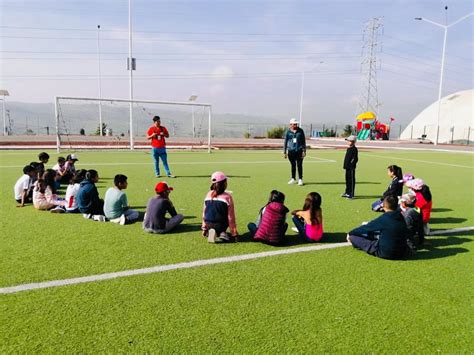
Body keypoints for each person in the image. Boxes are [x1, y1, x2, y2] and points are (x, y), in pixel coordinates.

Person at [347, 195, 409, 260]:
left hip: (386, 252)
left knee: (353, 238)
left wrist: (351, 233)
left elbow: (367, 228)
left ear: (384, 206)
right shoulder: (401, 216)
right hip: (402, 252)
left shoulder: (385, 218)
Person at [202, 171, 238, 243]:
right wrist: (234, 232)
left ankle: (209, 231)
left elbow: (204, 213)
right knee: (223, 220)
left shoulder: (208, 194)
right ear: (224, 184)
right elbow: (231, 217)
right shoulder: (227, 197)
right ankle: (222, 233)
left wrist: (204, 228)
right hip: (221, 225)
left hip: (208, 223)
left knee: (211, 216)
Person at [283, 118, 306, 186]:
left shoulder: (301, 131)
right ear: (291, 125)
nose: (296, 125)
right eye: (294, 124)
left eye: (296, 124)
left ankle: (300, 179)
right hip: (291, 151)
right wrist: (284, 152)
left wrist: (304, 150)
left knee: (299, 165)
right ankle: (293, 178)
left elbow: (303, 141)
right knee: (293, 165)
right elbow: (285, 142)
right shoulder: (288, 132)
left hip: (299, 151)